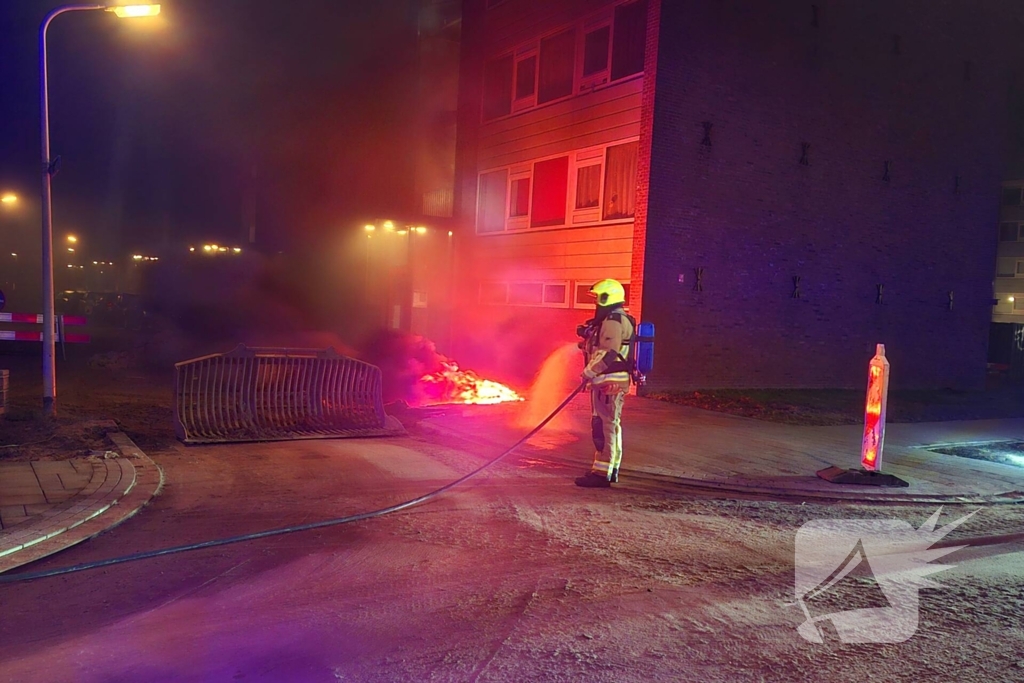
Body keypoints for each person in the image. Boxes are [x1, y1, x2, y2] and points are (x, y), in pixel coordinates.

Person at [575, 279, 634, 488]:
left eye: (597, 298)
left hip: (609, 383)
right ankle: (608, 471)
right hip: (607, 382)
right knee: (608, 426)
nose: (595, 304)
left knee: (605, 427)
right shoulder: (614, 319)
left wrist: (588, 373)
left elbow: (608, 353)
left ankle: (602, 475)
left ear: (606, 297)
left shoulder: (613, 320)